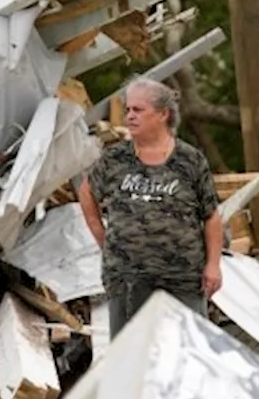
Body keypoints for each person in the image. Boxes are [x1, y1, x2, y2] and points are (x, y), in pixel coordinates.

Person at [78, 77, 223, 338]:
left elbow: (211, 216)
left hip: (182, 279)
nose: (130, 116)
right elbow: (87, 193)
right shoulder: (114, 159)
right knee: (130, 357)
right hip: (127, 280)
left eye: (138, 110)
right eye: (128, 110)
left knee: (187, 354)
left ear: (163, 114)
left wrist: (213, 265)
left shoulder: (190, 160)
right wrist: (104, 237)